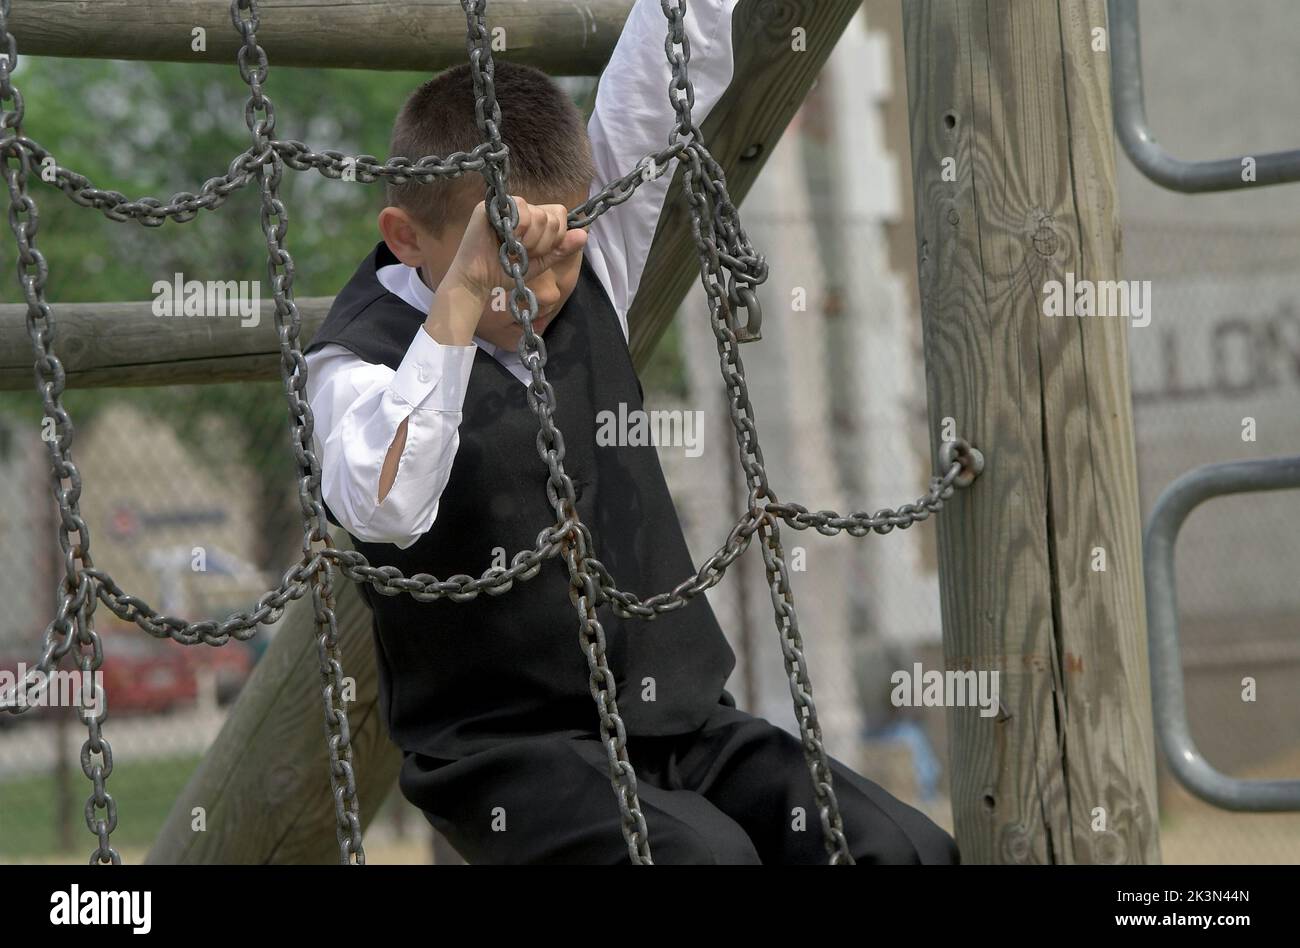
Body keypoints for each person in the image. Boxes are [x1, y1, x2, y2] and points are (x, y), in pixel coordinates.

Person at [303, 0, 958, 865]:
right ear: (404, 237)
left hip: (680, 720)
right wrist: (461, 296)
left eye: (559, 255)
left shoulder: (593, 256)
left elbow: (667, 60)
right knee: (703, 862)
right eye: (504, 260)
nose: (538, 292)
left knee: (895, 847)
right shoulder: (356, 366)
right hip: (507, 754)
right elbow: (384, 506)